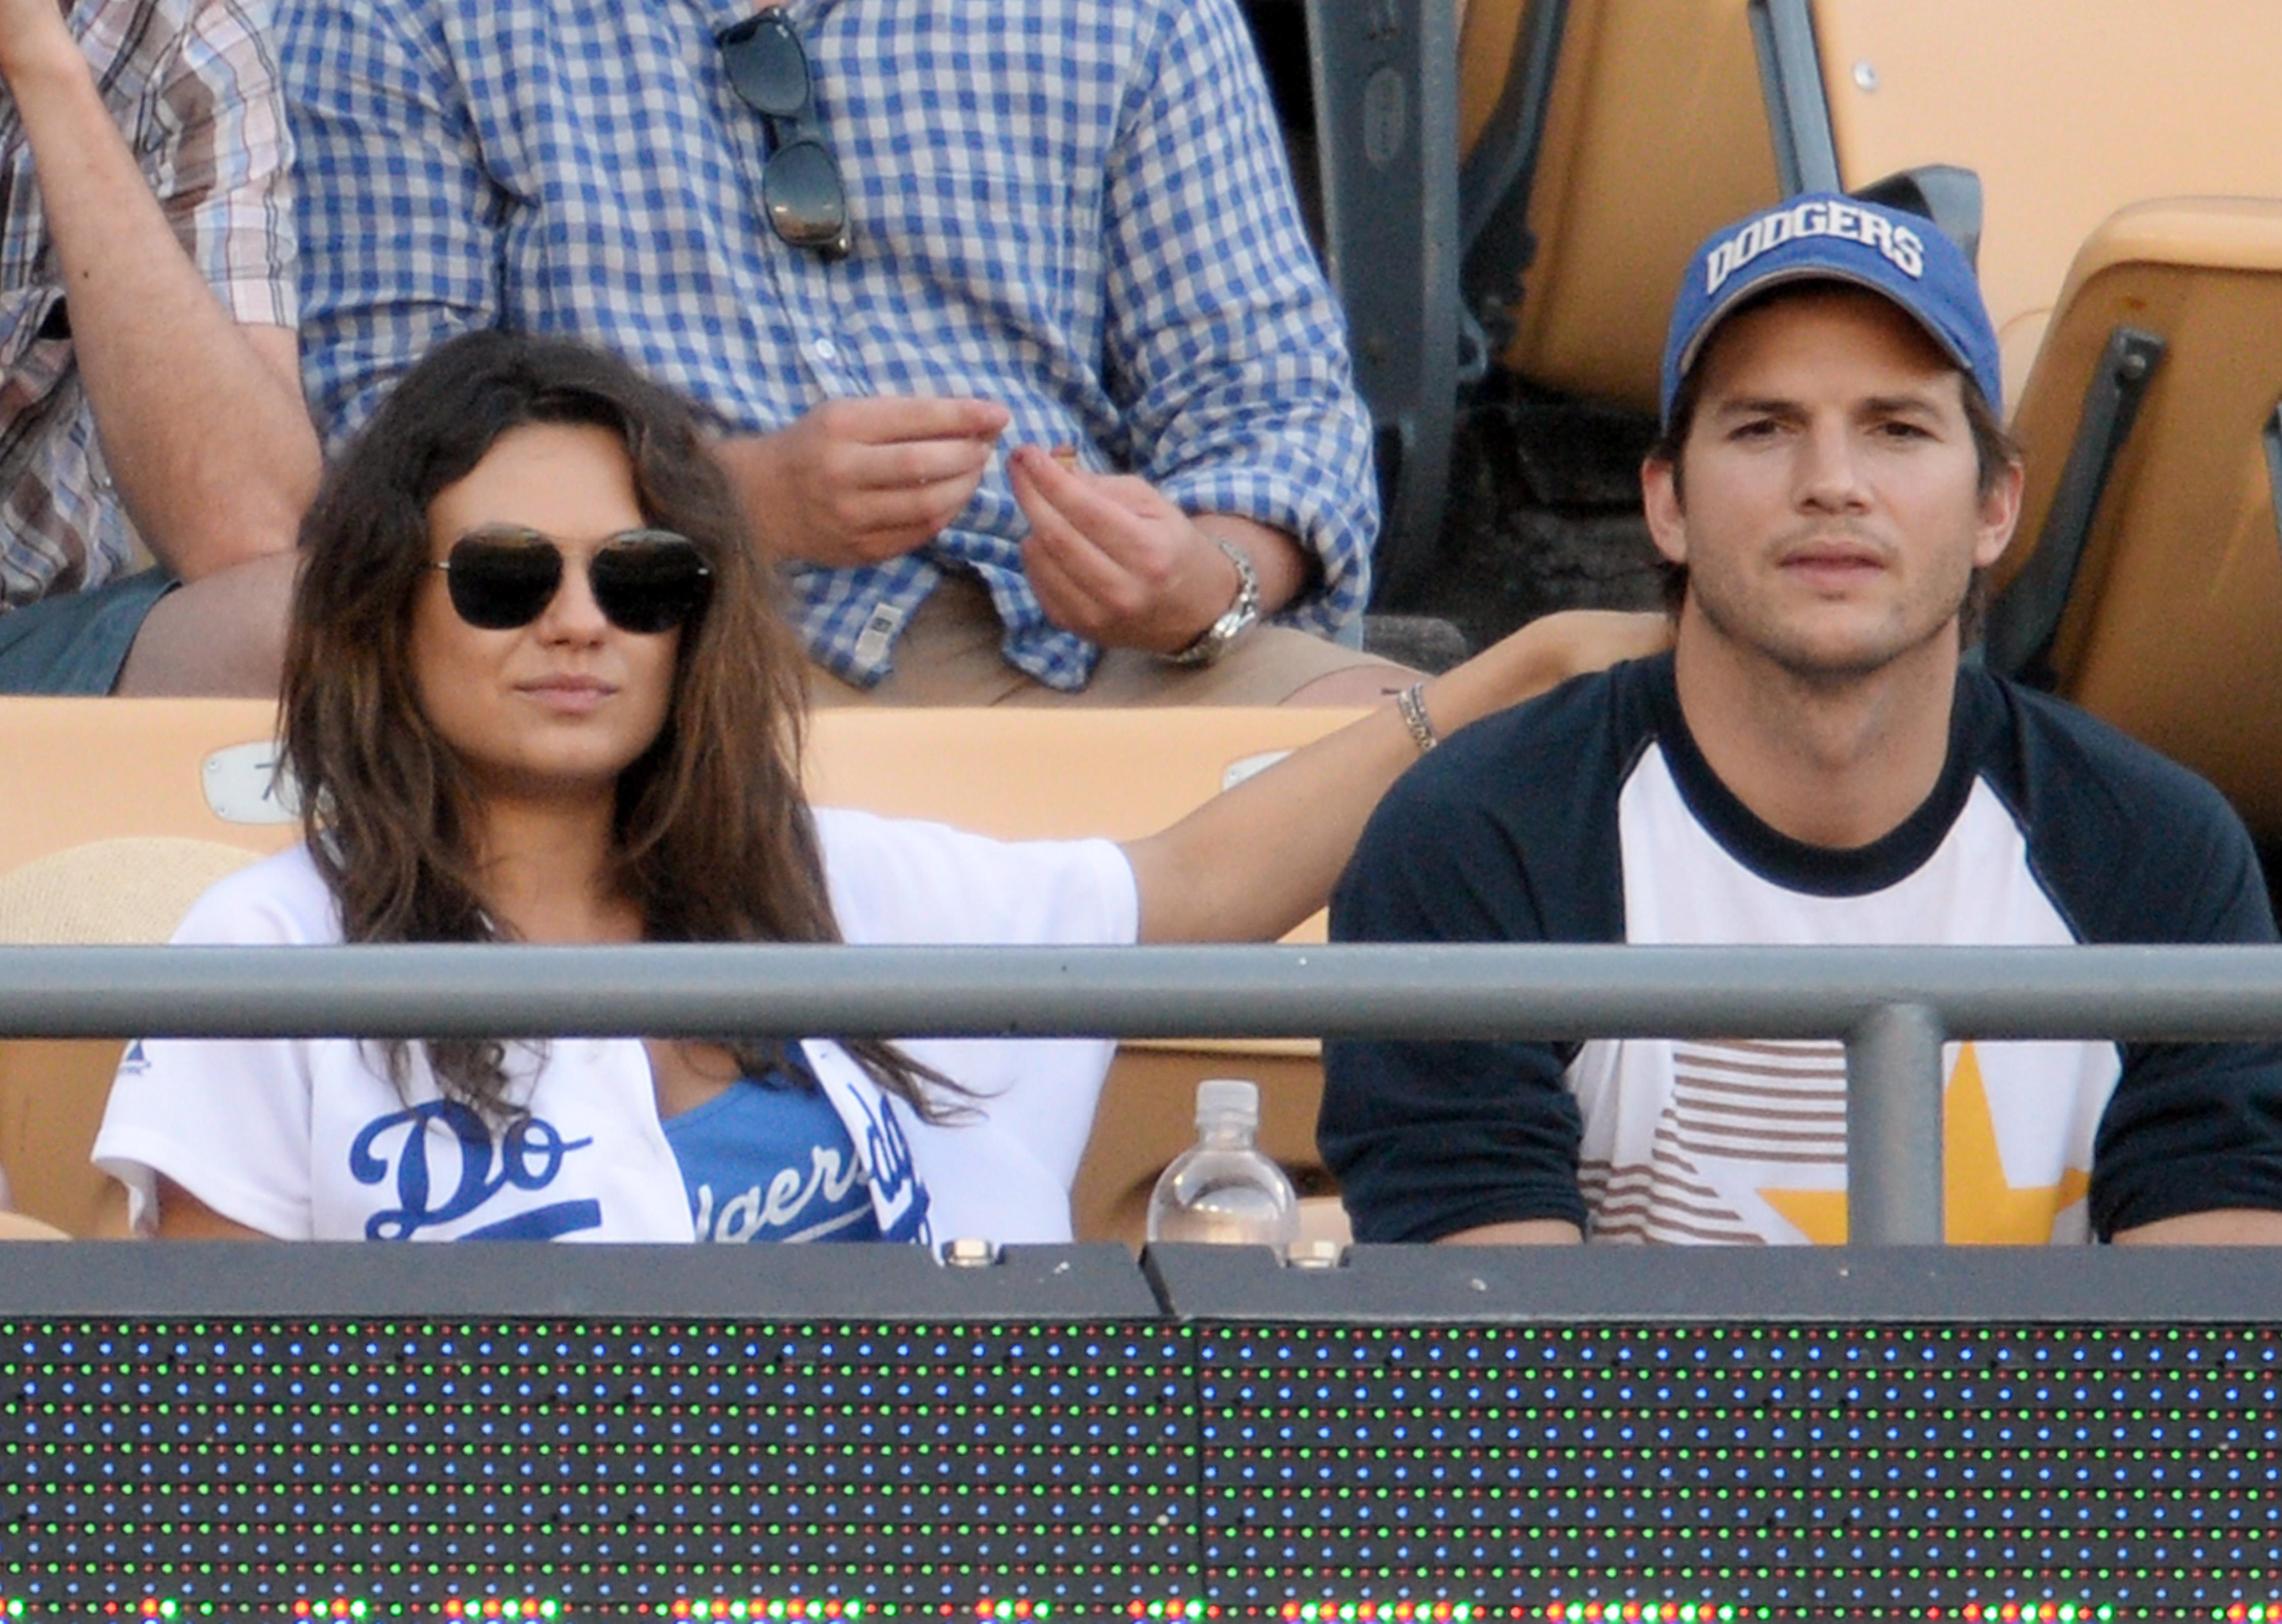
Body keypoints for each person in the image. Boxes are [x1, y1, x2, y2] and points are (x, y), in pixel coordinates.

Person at [90, 330, 1659, 1245]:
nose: (580, 621)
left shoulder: (824, 879)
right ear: (386, 610)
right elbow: (230, 1426)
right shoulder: (276, 953)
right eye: (505, 577)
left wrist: (1504, 680)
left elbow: (1191, 890)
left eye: (640, 576)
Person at [1318, 195, 2282, 1249]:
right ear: (1666, 503)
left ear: (1997, 505)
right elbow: (1503, 1383)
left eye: (1897, 429)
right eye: (1765, 428)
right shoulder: (1479, 839)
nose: (1833, 485)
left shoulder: (2154, 849)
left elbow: (2230, 1371)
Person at [277, 0, 1402, 709]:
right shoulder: (398, 19)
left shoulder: (1133, 18)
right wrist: (726, 500)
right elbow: (387, 437)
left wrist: (1202, 580)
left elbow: (1279, 412)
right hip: (659, 654)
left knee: (1473, 777)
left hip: (1107, 655)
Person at [0, 0, 318, 695]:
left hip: (23, 633)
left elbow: (251, 528)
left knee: (299, 623)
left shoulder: (192, 35)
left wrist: (42, 65)